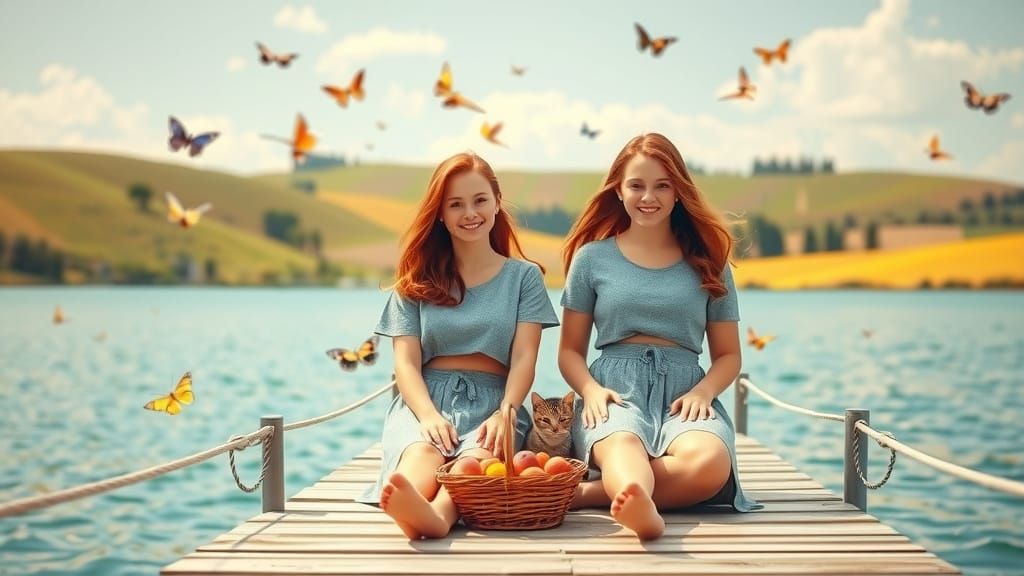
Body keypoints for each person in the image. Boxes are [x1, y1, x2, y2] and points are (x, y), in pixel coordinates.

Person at [558, 133, 760, 541]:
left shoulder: (711, 261)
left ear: (678, 191)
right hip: (615, 389)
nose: (648, 197)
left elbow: (728, 356)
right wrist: (591, 391)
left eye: (662, 185)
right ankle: (640, 507)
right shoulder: (591, 259)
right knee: (622, 445)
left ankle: (597, 495)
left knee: (710, 463)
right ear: (618, 189)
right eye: (636, 185)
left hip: (685, 392)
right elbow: (568, 352)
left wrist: (703, 393)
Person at [358, 152, 560, 540]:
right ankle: (410, 499)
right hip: (425, 399)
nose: (470, 213)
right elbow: (406, 363)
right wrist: (429, 415)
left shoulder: (525, 277)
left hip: (496, 401)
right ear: (440, 214)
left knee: (476, 463)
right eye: (456, 204)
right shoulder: (415, 281)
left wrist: (507, 411)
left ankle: (438, 518)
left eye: (480, 200)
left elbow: (524, 357)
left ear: (497, 202)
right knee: (422, 455)